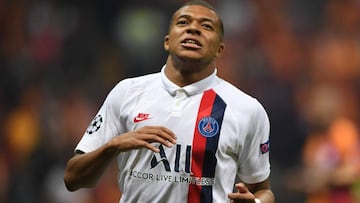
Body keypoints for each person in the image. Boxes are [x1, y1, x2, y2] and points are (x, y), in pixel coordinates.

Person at [63, 1, 275, 202]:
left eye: (206, 26)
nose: (193, 29)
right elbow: (73, 178)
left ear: (220, 49)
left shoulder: (247, 109)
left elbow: (263, 190)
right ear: (167, 41)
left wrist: (255, 202)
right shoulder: (127, 92)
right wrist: (113, 145)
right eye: (183, 22)